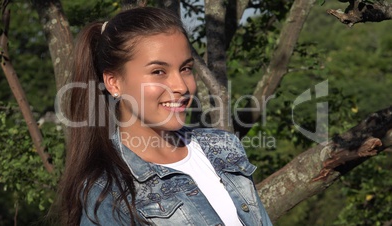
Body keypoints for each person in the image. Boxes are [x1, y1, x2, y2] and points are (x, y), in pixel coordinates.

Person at [58, 6, 272, 226]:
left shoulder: (225, 147)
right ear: (114, 82)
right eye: (158, 72)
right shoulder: (109, 192)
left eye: (186, 68)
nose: (181, 86)